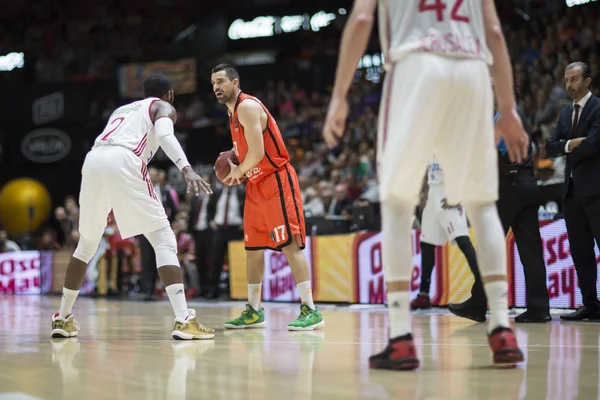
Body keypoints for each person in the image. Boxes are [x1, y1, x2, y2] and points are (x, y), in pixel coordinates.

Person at [323, 0, 528, 370]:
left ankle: (400, 335)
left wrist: (338, 96)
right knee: (482, 205)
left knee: (397, 204)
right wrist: (509, 107)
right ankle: (501, 326)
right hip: (472, 70)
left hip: (415, 65)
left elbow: (362, 19)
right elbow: (495, 32)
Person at [51, 73, 215, 340]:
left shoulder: (123, 109)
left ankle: (63, 318)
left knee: (86, 244)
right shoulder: (163, 107)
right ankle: (185, 320)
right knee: (163, 238)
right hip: (124, 158)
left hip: (93, 159)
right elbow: (164, 134)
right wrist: (186, 169)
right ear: (170, 94)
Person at [210, 63, 324, 331]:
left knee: (289, 245)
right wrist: (236, 163)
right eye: (213, 83)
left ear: (235, 83)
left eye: (221, 81)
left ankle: (311, 309)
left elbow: (259, 154)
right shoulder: (232, 113)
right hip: (256, 184)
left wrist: (237, 169)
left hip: (276, 180)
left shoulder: (247, 107)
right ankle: (254, 310)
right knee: (253, 249)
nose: (216, 87)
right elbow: (248, 151)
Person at [450, 99, 550, 323]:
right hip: (526, 185)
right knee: (531, 251)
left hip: (509, 189)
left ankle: (477, 305)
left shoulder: (505, 115)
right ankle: (539, 307)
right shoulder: (517, 113)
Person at [546, 61, 600, 321]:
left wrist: (566, 146)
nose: (569, 85)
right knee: (581, 252)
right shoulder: (566, 114)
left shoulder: (599, 108)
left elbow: (592, 146)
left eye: (574, 79)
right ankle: (590, 304)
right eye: (567, 80)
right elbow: (550, 147)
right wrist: (570, 144)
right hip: (572, 193)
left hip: (597, 190)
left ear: (587, 81)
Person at [410, 157, 480, 310]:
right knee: (427, 243)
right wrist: (423, 192)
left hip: (449, 192)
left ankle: (484, 291)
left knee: (462, 240)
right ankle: (423, 294)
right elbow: (427, 169)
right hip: (432, 191)